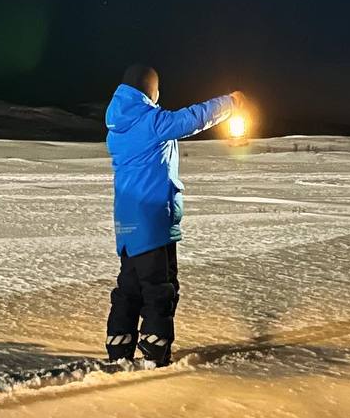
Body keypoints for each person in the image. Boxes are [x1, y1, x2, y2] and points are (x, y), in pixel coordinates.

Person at [104, 63, 245, 366]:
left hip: (127, 225)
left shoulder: (117, 128)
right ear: (150, 90)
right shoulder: (150, 122)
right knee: (160, 289)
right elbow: (191, 118)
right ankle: (156, 350)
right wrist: (230, 103)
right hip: (153, 220)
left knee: (129, 288)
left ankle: (119, 346)